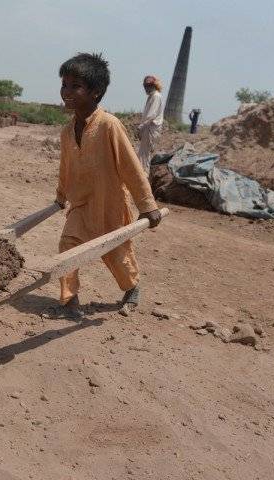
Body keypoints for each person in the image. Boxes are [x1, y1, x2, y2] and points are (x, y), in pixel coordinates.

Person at [54, 53, 161, 318]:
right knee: (68, 247)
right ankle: (70, 300)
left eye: (75, 86)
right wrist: (60, 196)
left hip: (110, 204)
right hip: (80, 205)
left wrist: (147, 205)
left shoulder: (109, 125)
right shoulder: (67, 132)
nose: (66, 92)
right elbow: (65, 167)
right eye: (64, 85)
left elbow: (131, 168)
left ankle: (132, 288)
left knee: (117, 254)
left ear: (96, 92)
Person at [138, 75, 164, 175]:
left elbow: (151, 115)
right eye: (145, 86)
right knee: (143, 154)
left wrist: (141, 126)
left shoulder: (156, 96)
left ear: (153, 85)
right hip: (147, 128)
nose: (146, 88)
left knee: (144, 156)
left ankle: (143, 177)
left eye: (147, 86)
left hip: (150, 128)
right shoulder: (152, 96)